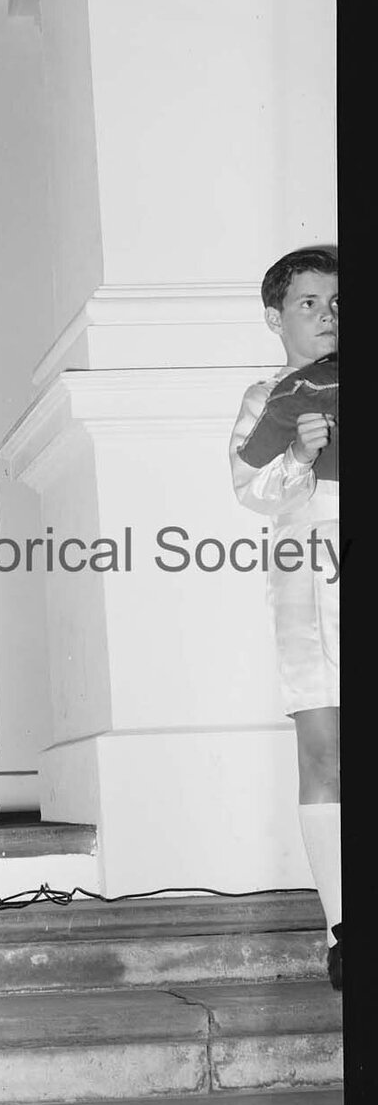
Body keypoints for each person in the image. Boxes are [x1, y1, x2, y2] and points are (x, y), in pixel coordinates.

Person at [229, 247, 340, 988]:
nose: (328, 315)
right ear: (276, 315)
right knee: (326, 748)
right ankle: (347, 930)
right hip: (309, 576)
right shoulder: (266, 394)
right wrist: (300, 456)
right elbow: (250, 486)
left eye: (337, 302)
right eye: (309, 302)